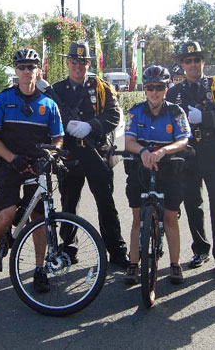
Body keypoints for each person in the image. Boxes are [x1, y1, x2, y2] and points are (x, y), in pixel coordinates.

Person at [0, 48, 64, 292]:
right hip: (8, 164)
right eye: (22, 67)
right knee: (7, 215)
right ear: (16, 71)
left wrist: (52, 155)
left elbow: (58, 138)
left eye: (31, 67)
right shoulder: (3, 100)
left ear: (38, 71)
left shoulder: (49, 104)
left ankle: (39, 268)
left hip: (36, 166)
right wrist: (12, 158)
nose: (27, 71)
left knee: (39, 218)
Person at [47, 42, 129, 268]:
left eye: (83, 61)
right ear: (68, 62)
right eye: (74, 61)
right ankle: (68, 248)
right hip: (69, 157)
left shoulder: (101, 87)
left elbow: (114, 116)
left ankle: (116, 250)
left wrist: (90, 126)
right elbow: (49, 119)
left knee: (106, 204)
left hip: (97, 155)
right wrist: (65, 126)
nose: (78, 65)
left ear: (88, 64)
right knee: (68, 204)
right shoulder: (56, 90)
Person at [166, 41, 215, 278]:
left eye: (196, 60)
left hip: (214, 152)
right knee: (192, 204)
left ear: (203, 62)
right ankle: (200, 249)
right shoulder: (174, 93)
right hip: (187, 155)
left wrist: (206, 118)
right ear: (182, 64)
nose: (192, 65)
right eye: (188, 61)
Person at [122, 65, 191, 285]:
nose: (154, 92)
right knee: (137, 219)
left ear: (166, 88)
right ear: (145, 89)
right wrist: (143, 151)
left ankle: (175, 264)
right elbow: (129, 141)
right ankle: (133, 264)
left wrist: (163, 151)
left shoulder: (176, 112)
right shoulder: (135, 111)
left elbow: (183, 140)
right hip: (140, 167)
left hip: (168, 167)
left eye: (159, 87)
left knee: (170, 218)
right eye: (150, 87)